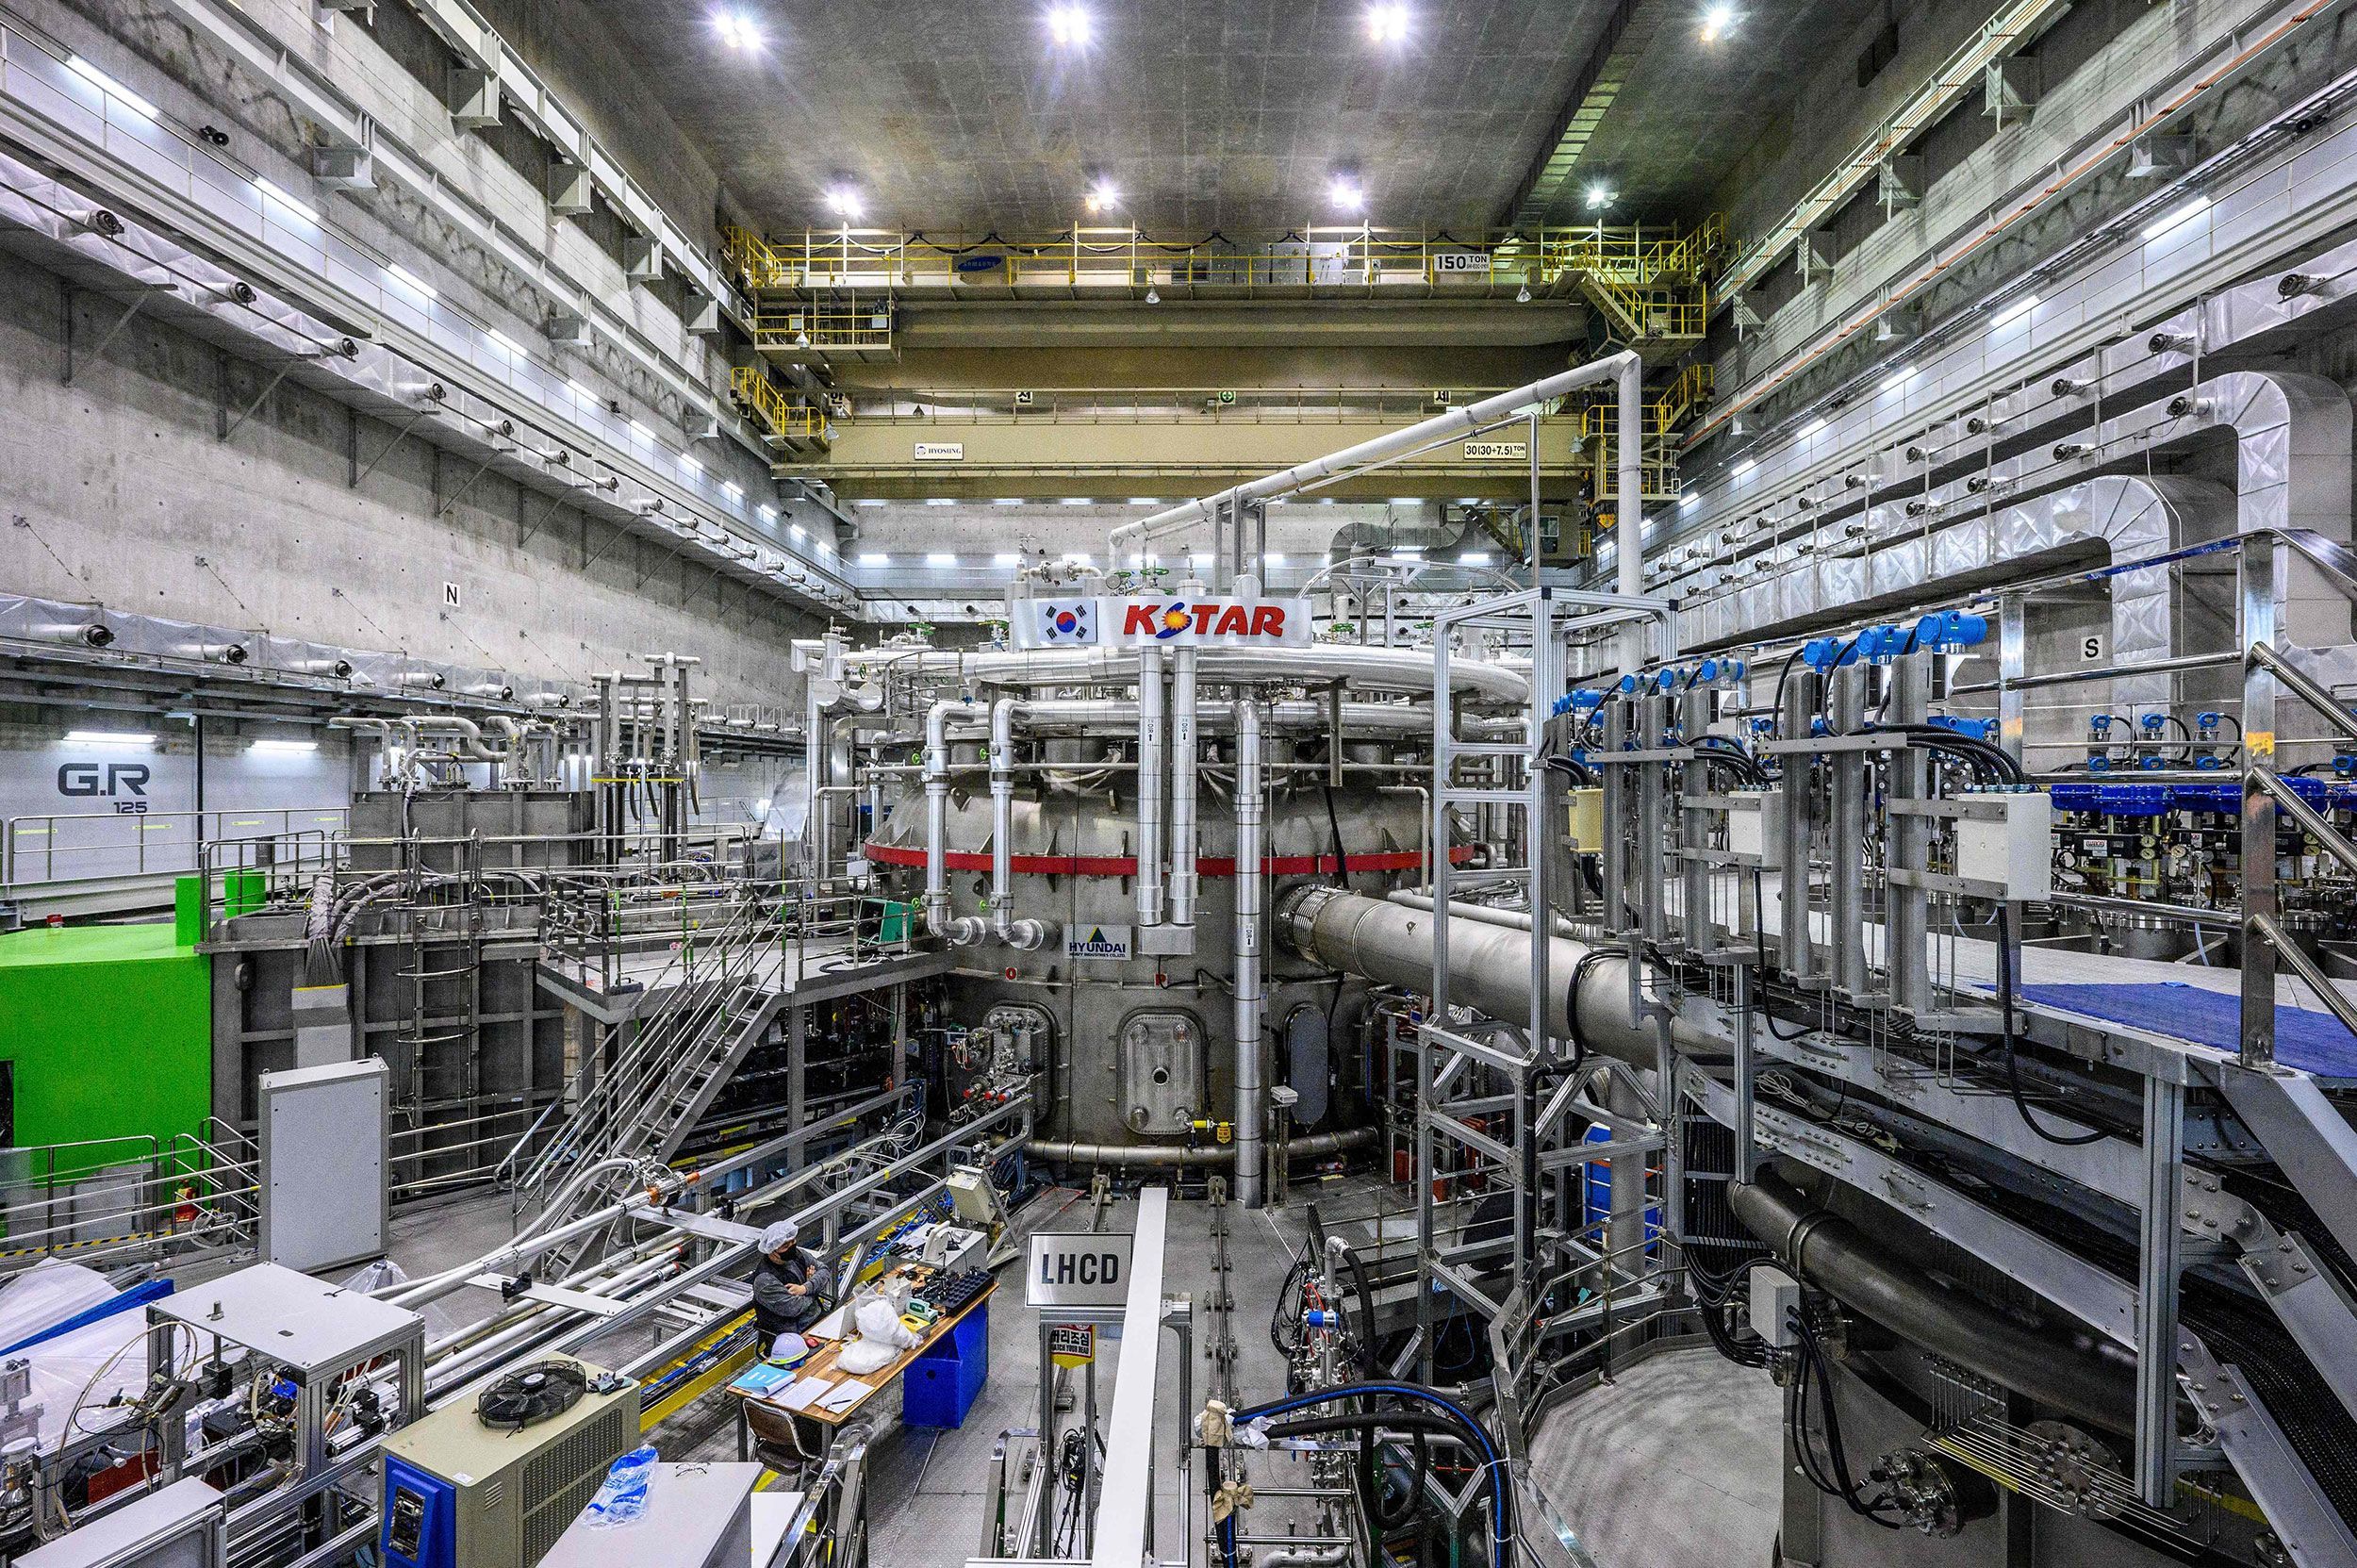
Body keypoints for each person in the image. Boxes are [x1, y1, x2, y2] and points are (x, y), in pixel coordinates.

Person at [751, 1219, 833, 1345]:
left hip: (816, 1318)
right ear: (772, 1251)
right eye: (785, 1246)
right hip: (790, 1335)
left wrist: (805, 1288)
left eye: (793, 1242)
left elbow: (824, 1270)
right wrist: (814, 1290)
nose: (792, 1247)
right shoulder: (765, 1281)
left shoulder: (797, 1255)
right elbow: (795, 1308)